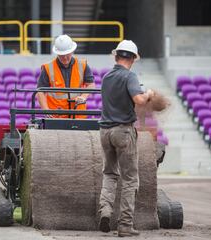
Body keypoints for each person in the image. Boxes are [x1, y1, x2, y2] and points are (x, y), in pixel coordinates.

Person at [98, 40, 154, 237]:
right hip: (122, 131)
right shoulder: (129, 76)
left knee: (109, 174)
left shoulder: (106, 77)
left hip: (104, 131)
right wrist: (148, 94)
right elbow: (138, 100)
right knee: (130, 179)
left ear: (116, 57)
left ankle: (105, 210)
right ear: (133, 59)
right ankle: (125, 225)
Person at [37, 34, 95, 118]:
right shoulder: (47, 68)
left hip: (78, 114)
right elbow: (40, 91)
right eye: (61, 55)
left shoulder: (83, 65)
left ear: (72, 51)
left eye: (67, 54)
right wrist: (46, 110)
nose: (65, 58)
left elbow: (91, 84)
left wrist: (83, 96)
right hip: (56, 115)